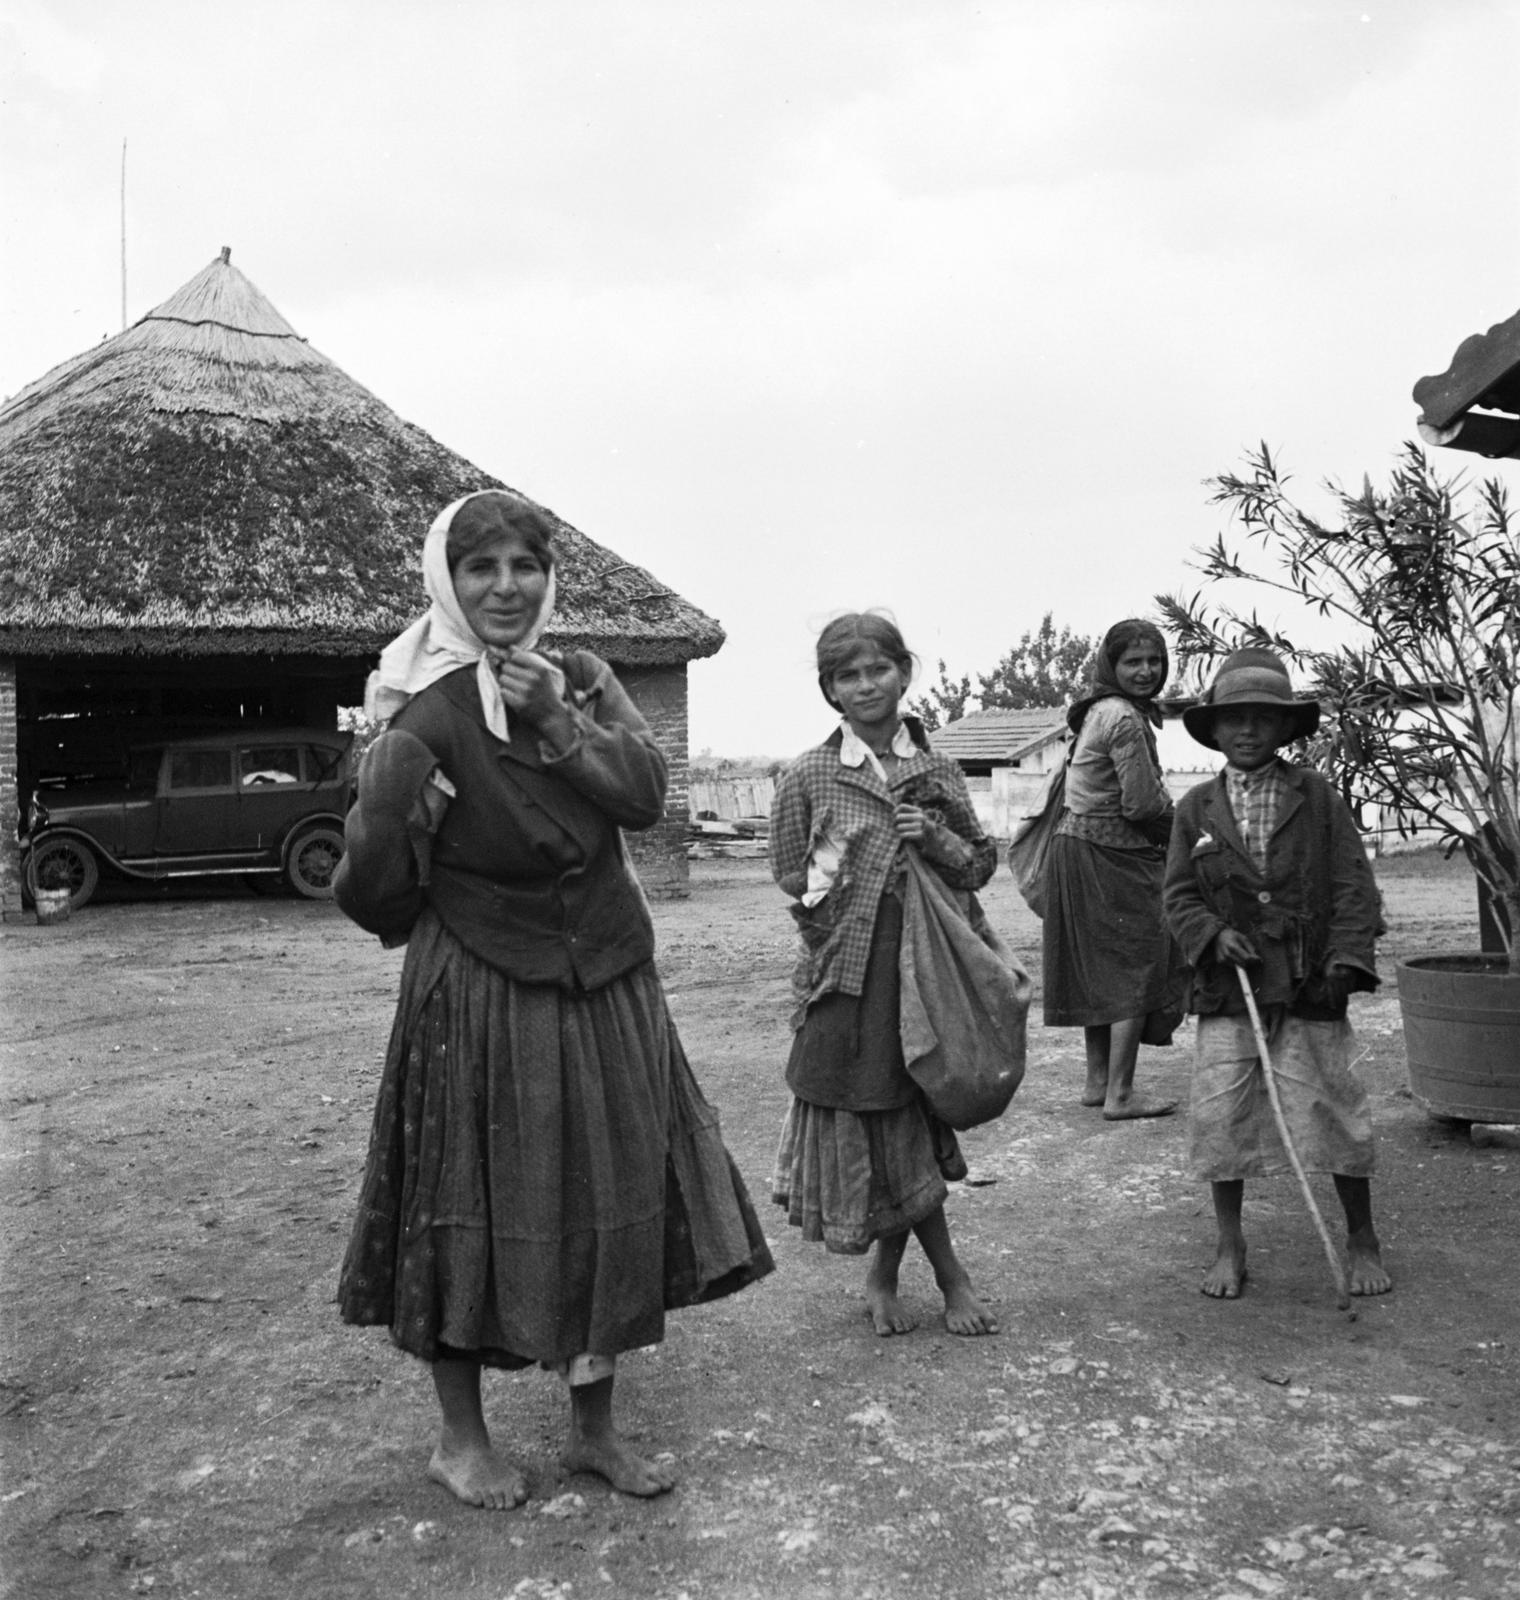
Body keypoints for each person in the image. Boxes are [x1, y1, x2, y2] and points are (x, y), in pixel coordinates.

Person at [333, 489, 773, 1509]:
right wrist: (386, 807)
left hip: (606, 976)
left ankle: (593, 1429)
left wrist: (556, 719)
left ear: (547, 579)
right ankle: (459, 1439)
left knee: (606, 1190)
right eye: (480, 568)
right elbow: (374, 897)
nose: (504, 586)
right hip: (483, 984)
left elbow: (642, 798)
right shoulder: (423, 712)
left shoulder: (575, 675)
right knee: (466, 1191)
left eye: (523, 566)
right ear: (447, 580)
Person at [770, 611, 1000, 1337]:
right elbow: (789, 877)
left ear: (905, 672)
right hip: (849, 983)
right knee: (880, 1121)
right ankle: (902, 1277)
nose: (866, 685)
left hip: (927, 979)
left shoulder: (933, 770)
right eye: (848, 675)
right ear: (829, 690)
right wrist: (831, 926)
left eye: (878, 669)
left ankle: (922, 1277)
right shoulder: (810, 774)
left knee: (908, 1120)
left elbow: (982, 865)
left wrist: (931, 837)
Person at [1163, 647, 1392, 1300]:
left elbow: (1353, 884)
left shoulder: (1316, 797)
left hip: (1309, 982)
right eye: (1234, 719)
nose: (1248, 730)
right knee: (1221, 1112)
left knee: (1335, 1108)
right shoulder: (1196, 809)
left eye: (1264, 718)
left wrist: (1346, 961)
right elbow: (1178, 894)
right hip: (1229, 992)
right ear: (1214, 731)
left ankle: (1362, 1237)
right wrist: (1210, 933)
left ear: (1286, 728)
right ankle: (1230, 1242)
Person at [1042, 619, 1185, 1119]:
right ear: (1111, 665)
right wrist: (1191, 833)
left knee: (1103, 968)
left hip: (1074, 847)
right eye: (1133, 662)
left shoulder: (1096, 710)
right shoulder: (1123, 718)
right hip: (1109, 853)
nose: (1146, 671)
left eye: (1154, 661)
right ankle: (1121, 1095)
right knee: (1136, 963)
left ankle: (1098, 1081)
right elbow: (1143, 805)